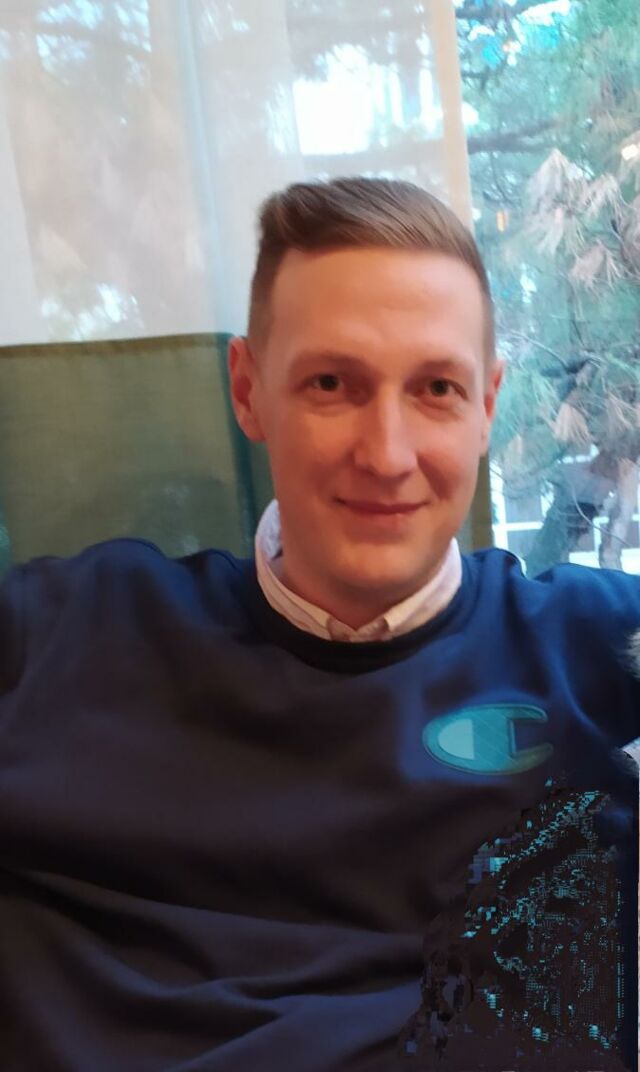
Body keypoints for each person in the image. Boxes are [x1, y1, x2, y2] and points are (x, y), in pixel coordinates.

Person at [0, 176, 638, 1072]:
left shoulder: (591, 650)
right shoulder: (63, 636)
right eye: (332, 383)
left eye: (437, 388)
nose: (387, 454)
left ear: (488, 406)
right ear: (248, 390)